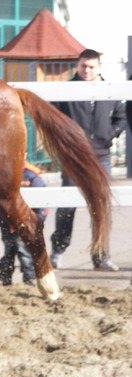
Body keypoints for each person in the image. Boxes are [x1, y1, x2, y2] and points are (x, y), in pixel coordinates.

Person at [50, 49, 127, 271]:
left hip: (101, 155)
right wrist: (67, 140)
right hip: (73, 157)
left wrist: (108, 136)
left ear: (99, 67)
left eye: (91, 66)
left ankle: (101, 255)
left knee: (101, 205)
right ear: (77, 65)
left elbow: (120, 117)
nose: (87, 70)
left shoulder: (109, 90)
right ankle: (58, 251)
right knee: (67, 205)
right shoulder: (65, 90)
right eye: (83, 66)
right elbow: (54, 118)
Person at [0, 160, 47, 286]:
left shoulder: (31, 175)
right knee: (9, 249)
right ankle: (6, 276)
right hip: (6, 221)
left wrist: (38, 217)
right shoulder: (1, 174)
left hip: (25, 222)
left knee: (23, 249)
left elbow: (40, 198)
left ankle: (29, 276)